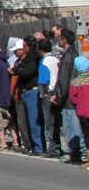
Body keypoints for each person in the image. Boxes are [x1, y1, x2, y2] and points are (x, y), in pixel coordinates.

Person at [53, 29, 85, 163]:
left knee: (71, 126)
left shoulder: (68, 56)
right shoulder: (71, 54)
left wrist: (59, 96)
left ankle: (75, 151)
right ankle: (76, 150)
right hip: (69, 97)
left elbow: (65, 79)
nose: (58, 41)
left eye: (60, 38)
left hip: (68, 100)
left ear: (64, 40)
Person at [13, 37, 44, 155]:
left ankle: (38, 147)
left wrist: (19, 71)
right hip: (24, 92)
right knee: (26, 121)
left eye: (25, 45)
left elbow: (26, 71)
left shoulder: (35, 59)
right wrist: (18, 70)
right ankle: (31, 145)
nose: (24, 48)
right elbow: (16, 69)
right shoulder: (26, 59)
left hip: (32, 91)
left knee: (34, 121)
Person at [37, 38, 60, 158]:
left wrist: (44, 93)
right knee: (55, 122)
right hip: (57, 92)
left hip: (49, 93)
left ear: (40, 49)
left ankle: (53, 149)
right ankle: (57, 146)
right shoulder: (56, 60)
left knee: (49, 122)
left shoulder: (44, 61)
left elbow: (44, 80)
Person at [69, 56, 89, 169]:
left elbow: (73, 98)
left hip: (83, 112)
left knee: (87, 136)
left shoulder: (76, 82)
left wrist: (79, 103)